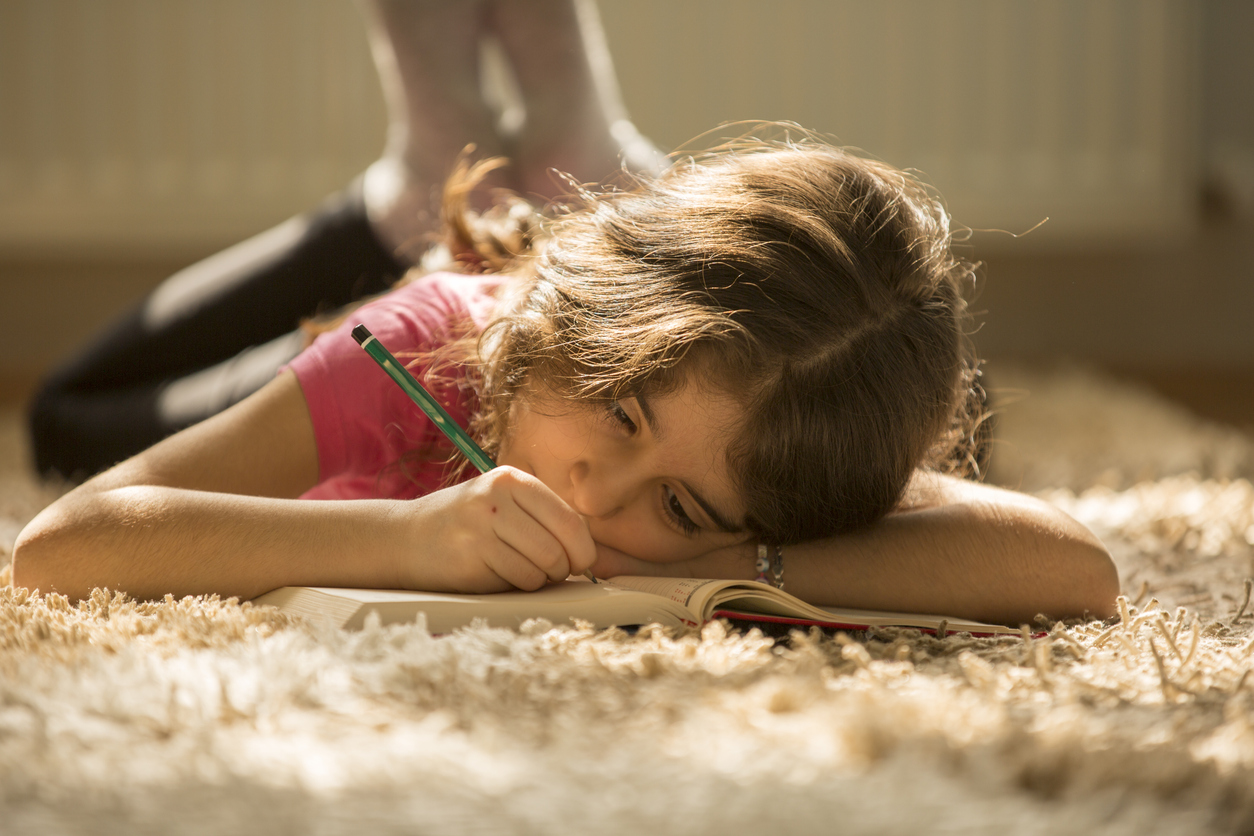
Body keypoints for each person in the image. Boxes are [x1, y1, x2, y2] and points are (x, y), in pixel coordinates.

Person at [11, 132, 1120, 625]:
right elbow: (65, 542)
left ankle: (563, 147)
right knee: (62, 418)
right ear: (591, 314)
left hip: (571, 285)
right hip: (431, 302)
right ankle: (397, 187)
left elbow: (1076, 570)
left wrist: (743, 558)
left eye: (680, 503)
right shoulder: (422, 354)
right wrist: (403, 541)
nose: (596, 498)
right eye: (621, 412)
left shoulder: (777, 428)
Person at [27, 0, 663, 480]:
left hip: (471, 315)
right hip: (578, 268)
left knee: (58, 419)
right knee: (58, 414)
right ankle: (568, 162)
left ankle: (484, 171)